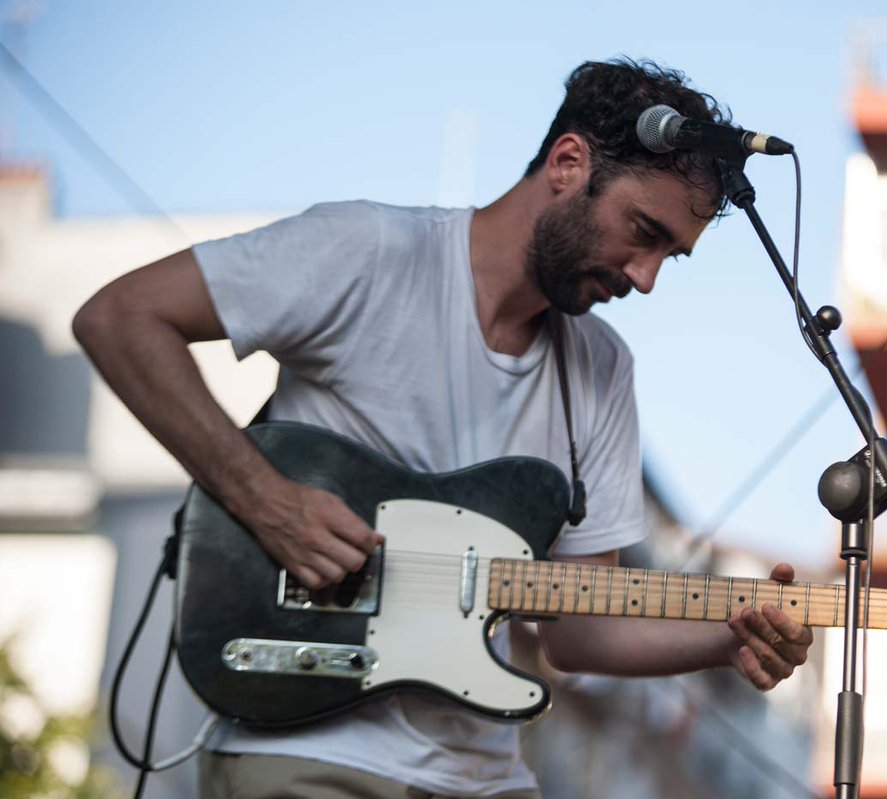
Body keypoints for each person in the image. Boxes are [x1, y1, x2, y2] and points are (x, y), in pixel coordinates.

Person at [73, 58, 813, 799]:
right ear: (568, 164)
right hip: (307, 748)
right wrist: (267, 500)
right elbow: (120, 316)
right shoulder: (369, 252)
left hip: (485, 776)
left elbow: (579, 631)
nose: (646, 278)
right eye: (643, 232)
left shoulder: (602, 367)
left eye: (669, 257)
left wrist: (729, 637)